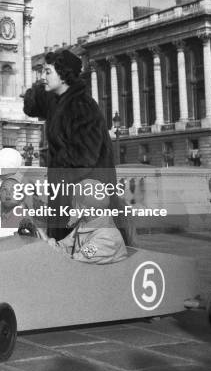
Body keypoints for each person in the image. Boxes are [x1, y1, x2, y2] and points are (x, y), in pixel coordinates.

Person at [23, 49, 134, 245]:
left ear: (64, 76)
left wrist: (58, 172)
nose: (43, 77)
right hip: (66, 189)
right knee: (65, 248)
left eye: (48, 72)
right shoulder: (56, 99)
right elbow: (32, 107)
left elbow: (83, 157)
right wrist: (35, 91)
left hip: (87, 192)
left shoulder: (82, 107)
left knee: (83, 249)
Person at [45, 180, 127, 264]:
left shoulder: (107, 237)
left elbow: (77, 262)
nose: (71, 205)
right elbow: (68, 244)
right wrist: (55, 245)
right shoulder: (84, 224)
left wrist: (56, 250)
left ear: (82, 207)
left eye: (74, 201)